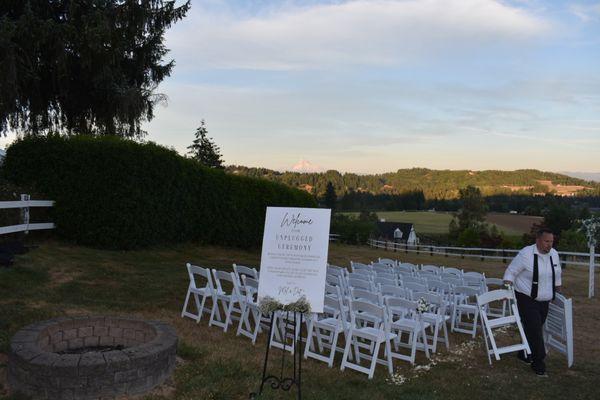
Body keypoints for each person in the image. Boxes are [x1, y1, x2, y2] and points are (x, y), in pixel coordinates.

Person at [503, 228, 562, 376]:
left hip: (544, 300)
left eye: (551, 242)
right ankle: (538, 363)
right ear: (538, 240)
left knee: (533, 328)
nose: (549, 245)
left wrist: (558, 291)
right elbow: (511, 271)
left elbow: (557, 273)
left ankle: (524, 353)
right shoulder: (526, 254)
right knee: (535, 330)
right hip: (526, 298)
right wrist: (506, 288)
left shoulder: (554, 254)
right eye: (546, 241)